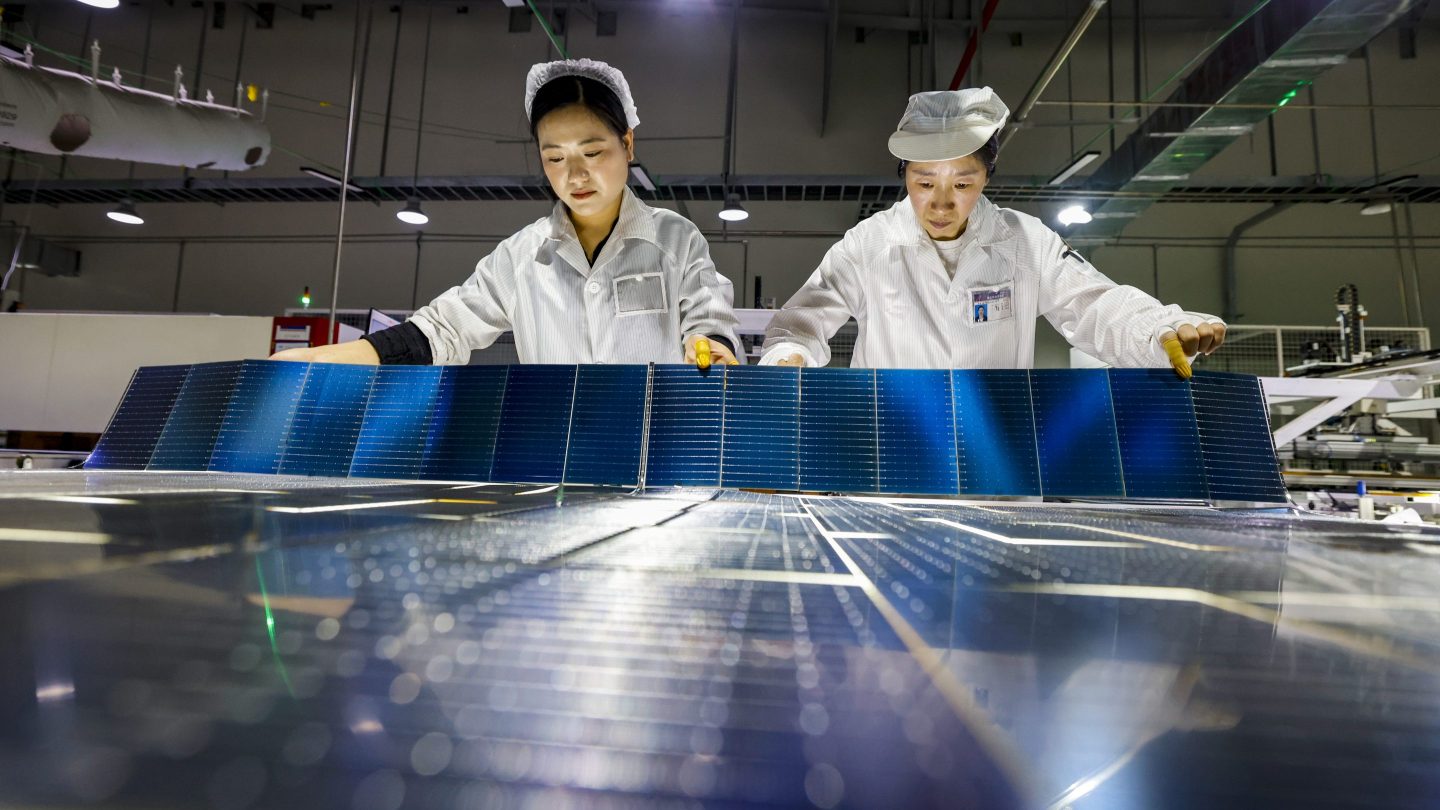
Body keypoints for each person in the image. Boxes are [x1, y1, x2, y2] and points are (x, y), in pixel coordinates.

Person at [273, 59, 741, 367]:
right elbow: (443, 330)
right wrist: (325, 360)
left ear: (628, 144)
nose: (575, 175)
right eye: (555, 158)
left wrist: (713, 351)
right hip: (557, 467)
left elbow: (710, 324)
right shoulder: (522, 257)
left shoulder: (675, 240)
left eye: (593, 153)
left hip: (656, 466)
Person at [759, 87, 1224, 371]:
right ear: (904, 175)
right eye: (924, 182)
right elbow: (800, 323)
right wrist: (787, 359)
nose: (942, 202)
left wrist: (1157, 328)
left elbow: (1094, 305)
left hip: (997, 471)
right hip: (892, 459)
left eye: (963, 182)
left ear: (987, 176)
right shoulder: (870, 243)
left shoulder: (1024, 242)